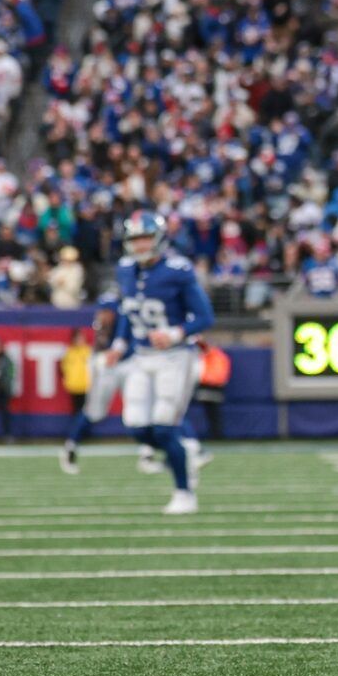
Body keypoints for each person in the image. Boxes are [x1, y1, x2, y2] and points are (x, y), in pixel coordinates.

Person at [110, 211, 215, 512]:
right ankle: (186, 454)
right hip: (141, 357)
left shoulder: (177, 269)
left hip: (175, 356)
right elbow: (128, 313)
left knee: (164, 427)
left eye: (145, 238)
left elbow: (206, 317)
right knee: (137, 427)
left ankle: (184, 493)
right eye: (135, 239)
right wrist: (119, 343)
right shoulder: (125, 269)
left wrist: (175, 333)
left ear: (158, 238)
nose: (141, 245)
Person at [60, 284, 129, 474]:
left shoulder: (122, 319)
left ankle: (147, 453)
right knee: (94, 412)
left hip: (122, 364)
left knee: (137, 407)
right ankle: (71, 446)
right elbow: (108, 349)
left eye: (107, 311)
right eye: (103, 311)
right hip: (104, 364)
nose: (104, 315)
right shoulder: (104, 324)